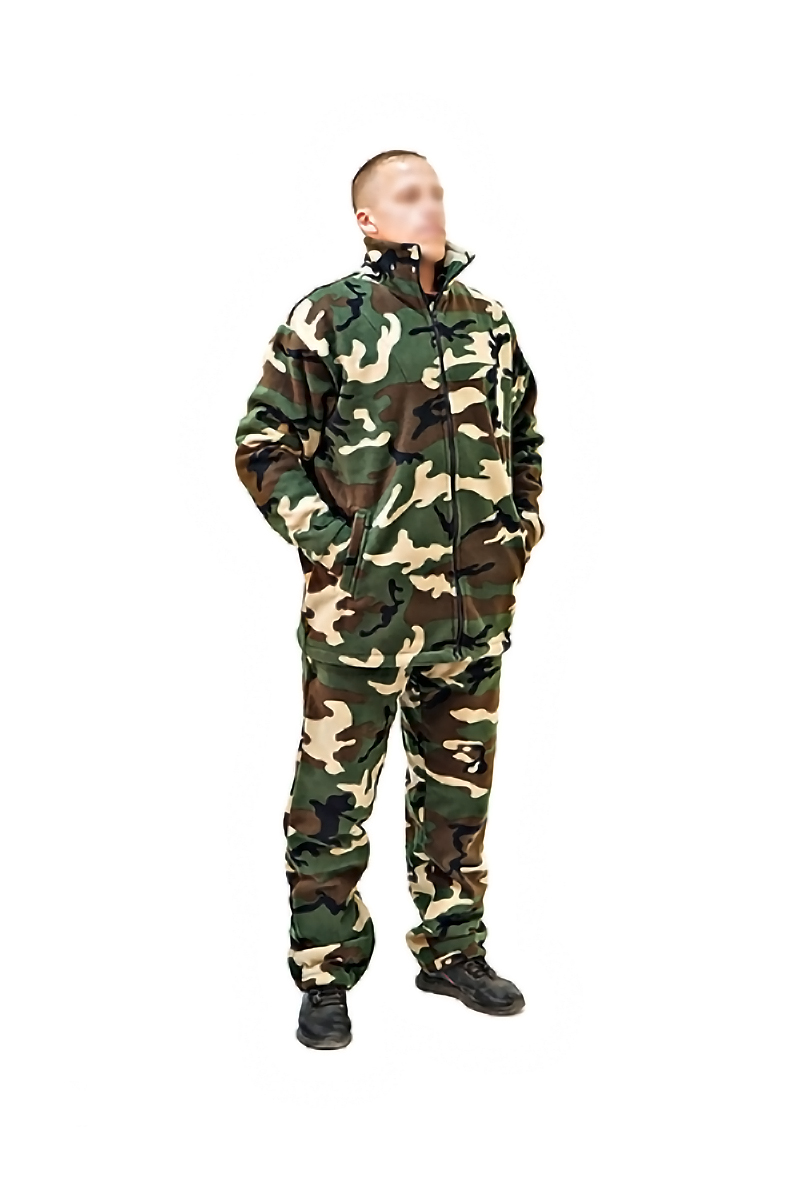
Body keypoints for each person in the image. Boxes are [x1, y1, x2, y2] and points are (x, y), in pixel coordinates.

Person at [233, 149, 545, 1050]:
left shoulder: (486, 320)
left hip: (474, 611)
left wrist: (520, 528)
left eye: (436, 191)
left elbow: (525, 433)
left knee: (458, 792)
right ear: (368, 219)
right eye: (409, 195)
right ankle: (325, 975)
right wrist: (337, 547)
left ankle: (453, 952)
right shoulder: (330, 316)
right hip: (361, 616)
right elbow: (263, 445)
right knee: (332, 799)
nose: (430, 204)